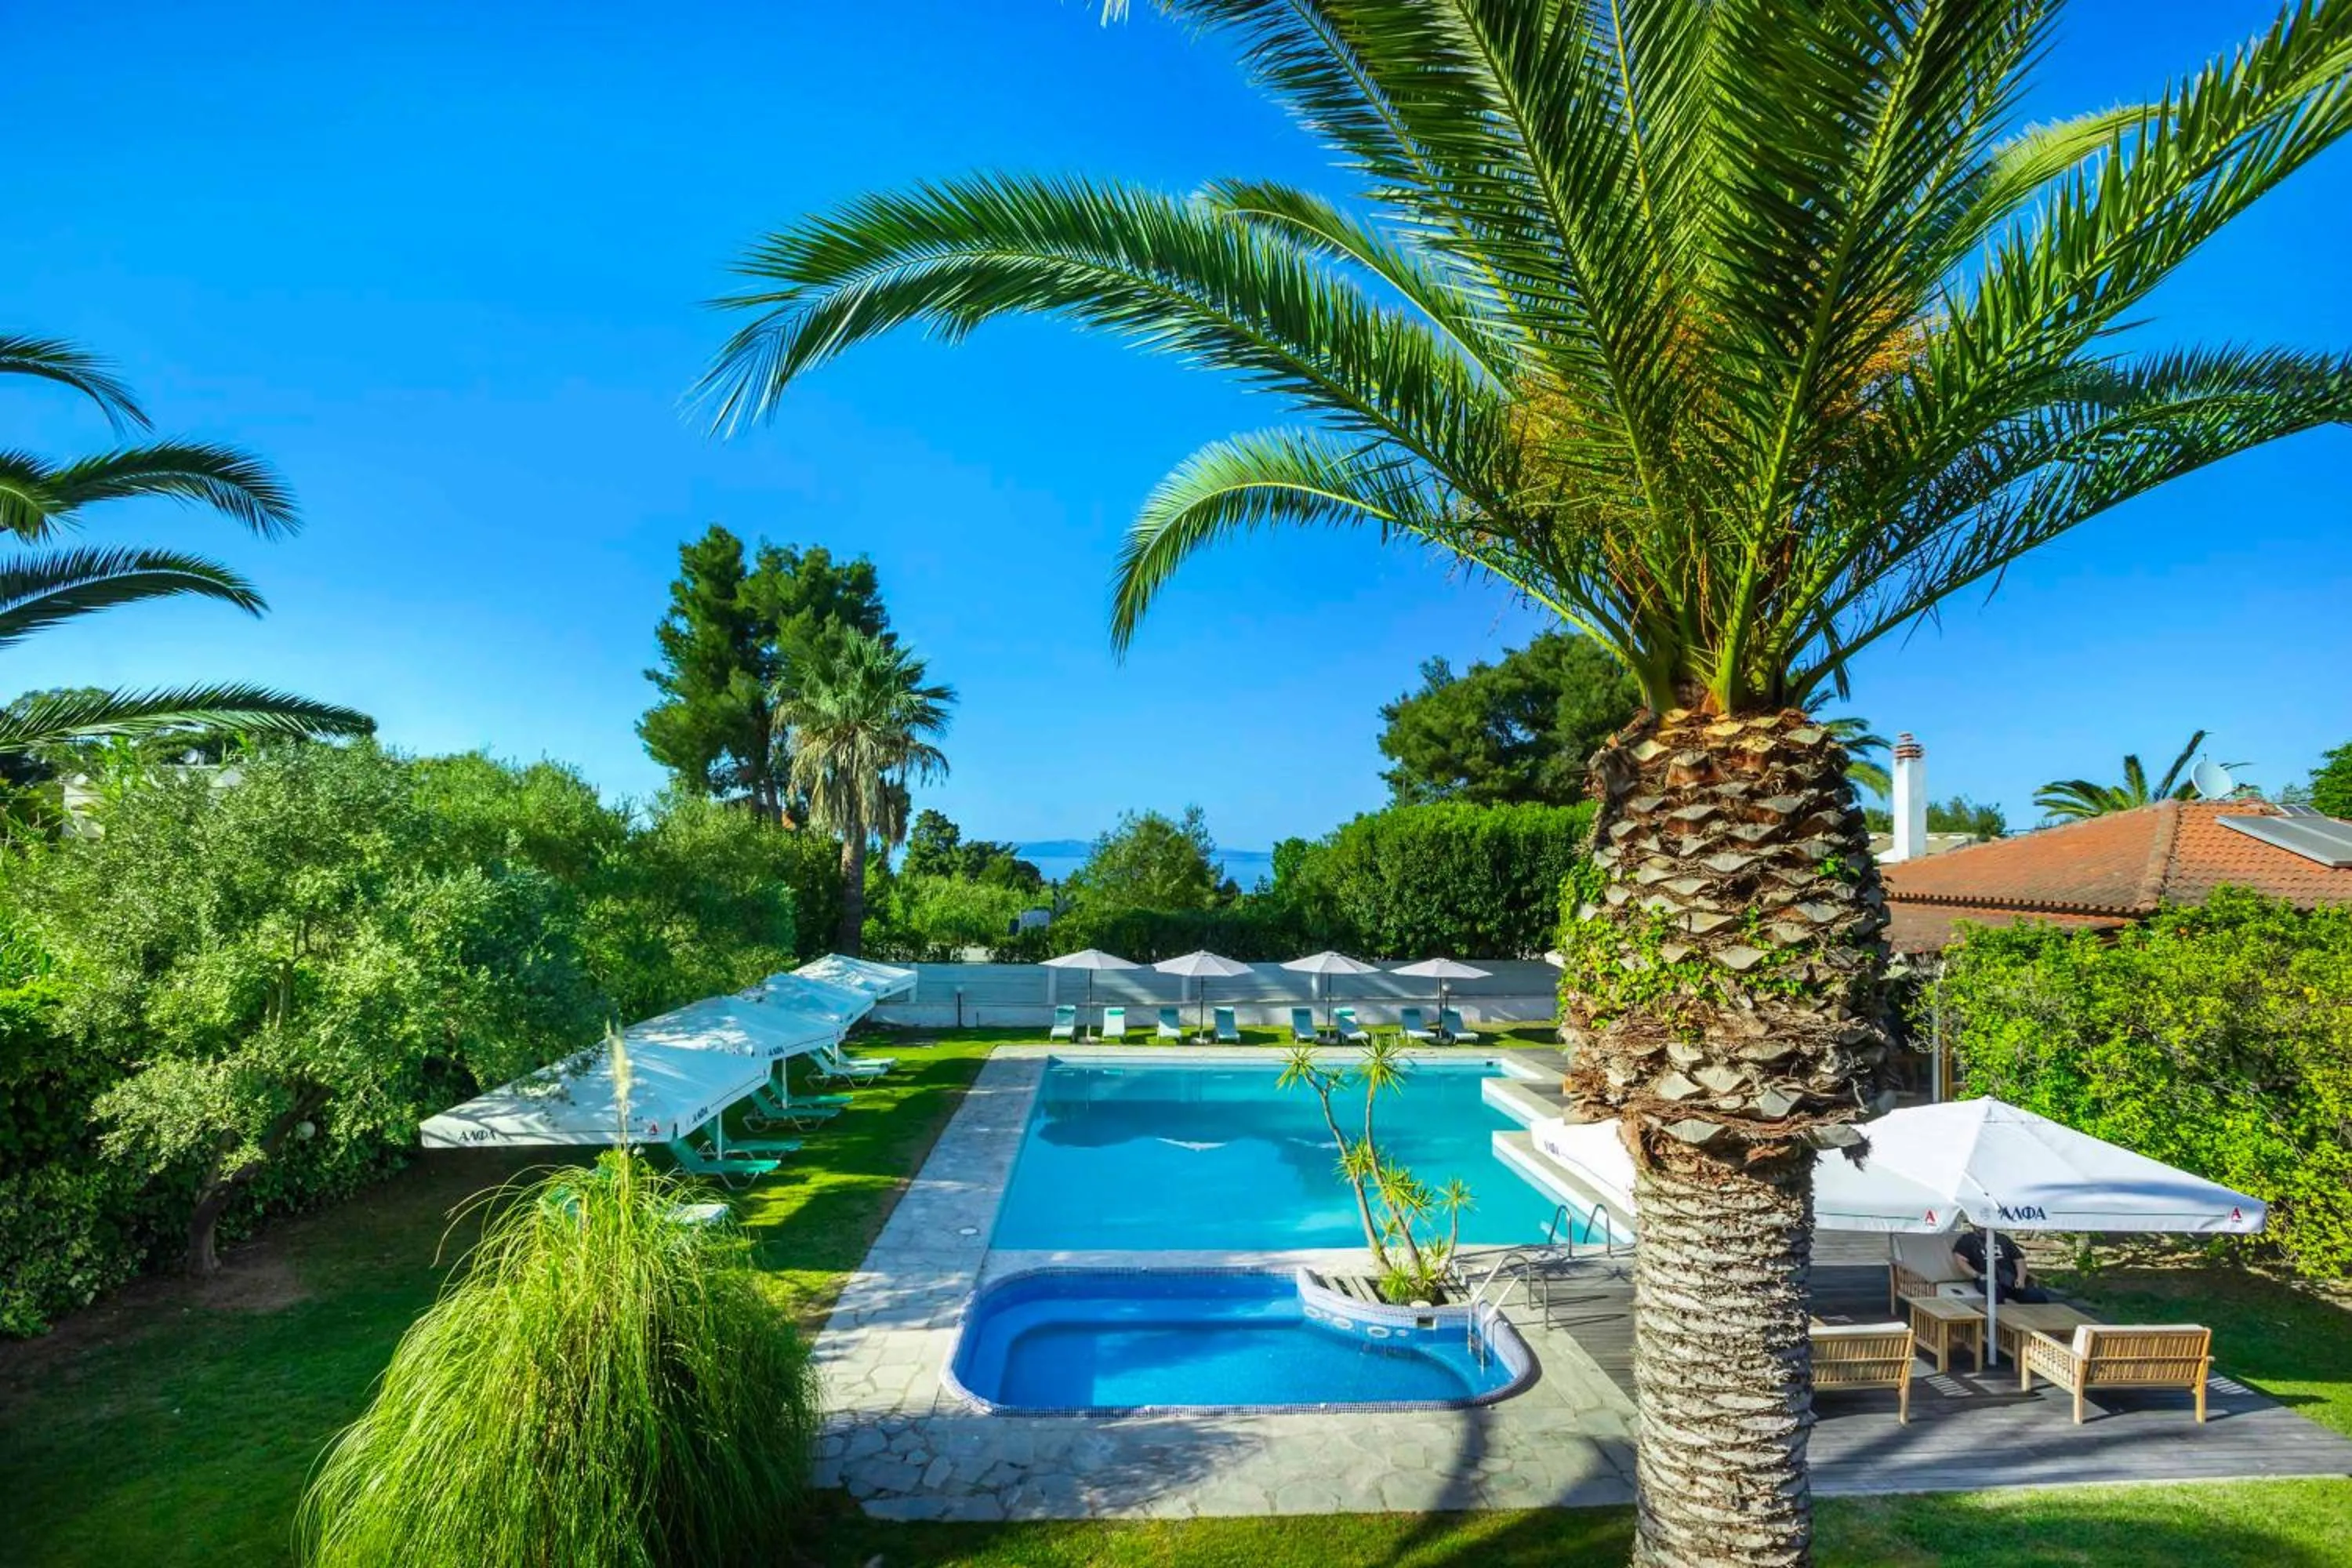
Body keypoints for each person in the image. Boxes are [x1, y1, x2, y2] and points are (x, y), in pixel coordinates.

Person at [1951, 1226, 2047, 1305]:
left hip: (2010, 1279)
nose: (1983, 1228)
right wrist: (1977, 1275)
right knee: (1995, 1292)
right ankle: (1997, 1321)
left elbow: (2019, 1260)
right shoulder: (1967, 1240)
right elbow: (1961, 1260)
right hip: (1987, 1280)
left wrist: (2021, 1278)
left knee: (2036, 1296)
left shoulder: (2003, 1239)